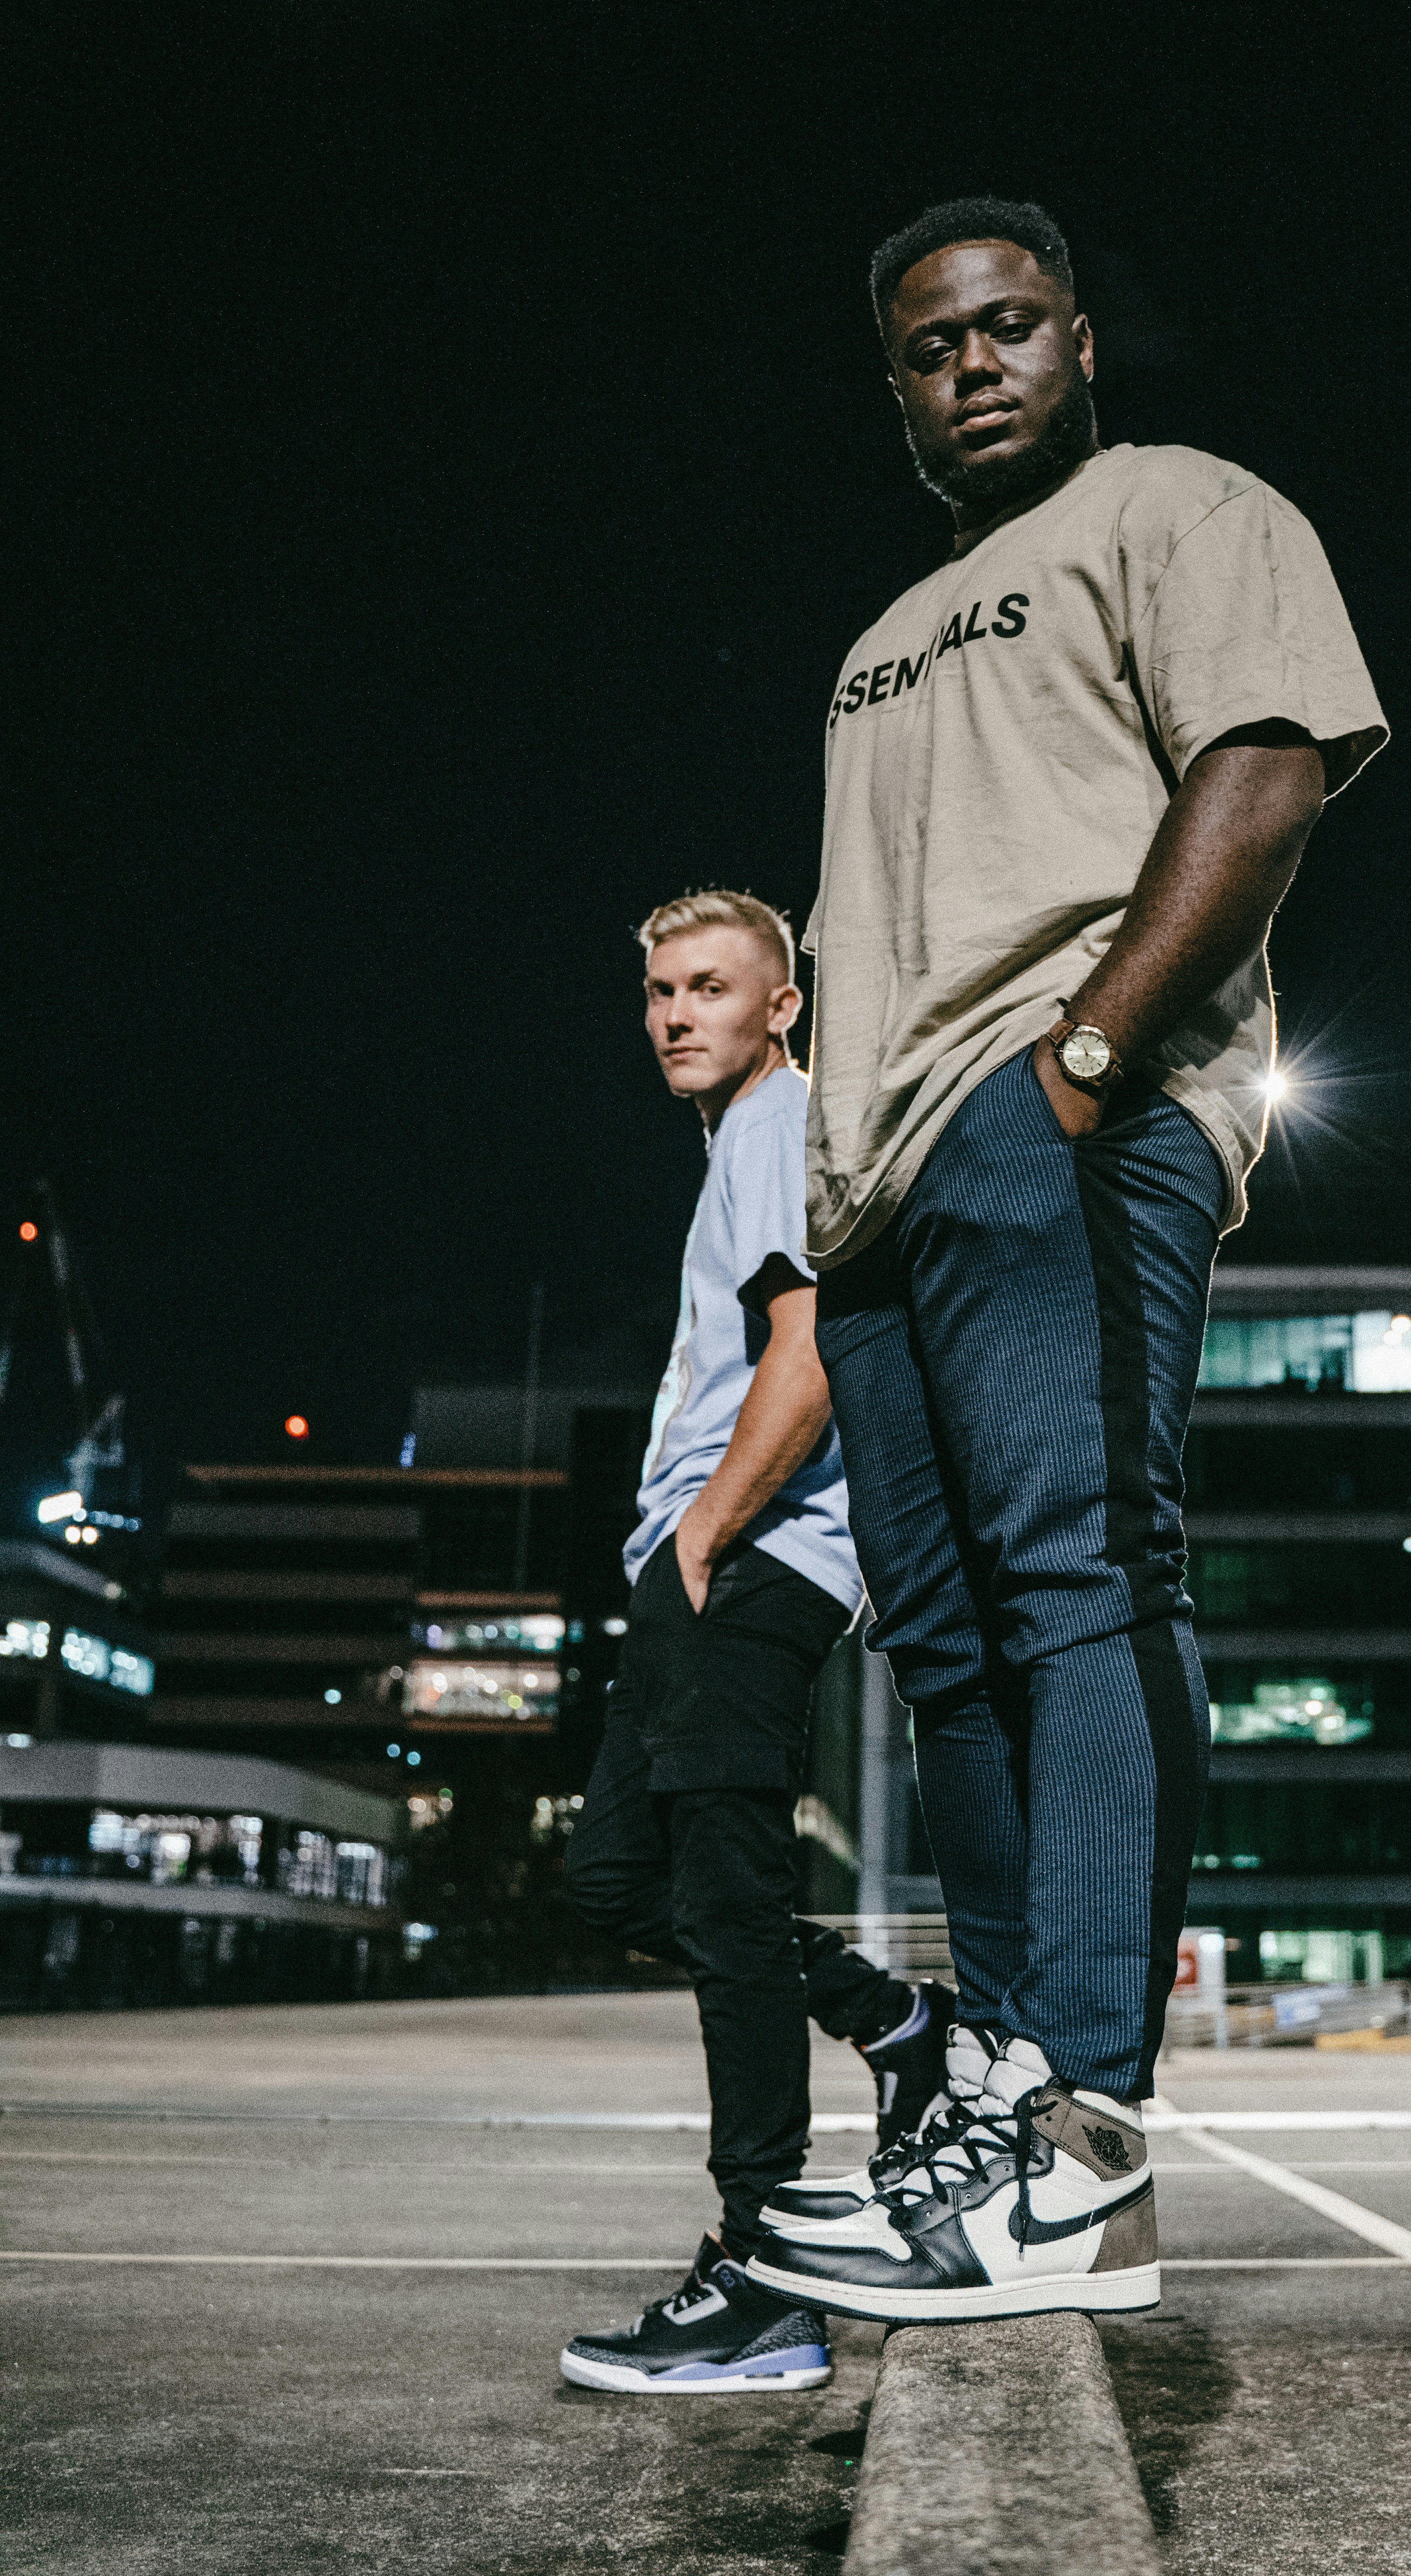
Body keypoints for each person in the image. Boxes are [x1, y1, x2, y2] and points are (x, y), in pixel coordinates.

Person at [746, 199, 1388, 2323]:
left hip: (1058, 1122)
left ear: (1084, 337)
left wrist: (1087, 1065)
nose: (973, 365)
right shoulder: (867, 645)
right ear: (898, 396)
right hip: (882, 1197)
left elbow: (1269, 763)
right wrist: (830, 1214)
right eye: (929, 349)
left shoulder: (1179, 505)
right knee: (948, 1662)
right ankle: (993, 2126)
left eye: (1008, 324)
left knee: (1083, 1577)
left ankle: (1082, 2138)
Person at [559, 888, 952, 2393]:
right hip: (696, 1568)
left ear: (780, 1005)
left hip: (755, 1563)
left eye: (708, 986)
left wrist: (711, 1535)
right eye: (659, 989)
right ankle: (895, 2025)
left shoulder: (783, 1126)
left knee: (725, 1902)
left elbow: (809, 1361)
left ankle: (763, 2283)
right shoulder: (741, 1147)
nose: (673, 1013)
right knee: (617, 1880)